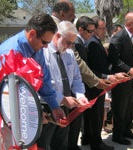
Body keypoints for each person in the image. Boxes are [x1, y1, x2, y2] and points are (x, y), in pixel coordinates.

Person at [0, 14, 69, 143]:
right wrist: (32, 113)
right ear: (32, 34)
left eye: (48, 43)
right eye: (44, 42)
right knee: (2, 146)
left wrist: (54, 106)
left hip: (18, 106)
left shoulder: (37, 49)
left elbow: (43, 80)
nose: (46, 47)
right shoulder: (9, 52)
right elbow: (6, 93)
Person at [37, 21, 89, 150]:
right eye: (68, 42)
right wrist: (62, 99)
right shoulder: (43, 53)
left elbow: (76, 77)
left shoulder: (69, 54)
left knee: (61, 143)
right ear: (58, 36)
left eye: (73, 43)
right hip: (47, 106)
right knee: (44, 144)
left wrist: (80, 95)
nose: (70, 46)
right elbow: (42, 83)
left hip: (66, 106)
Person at [82, 16, 127, 150]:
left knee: (92, 116)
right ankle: (96, 143)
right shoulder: (93, 43)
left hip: (97, 82)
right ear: (94, 29)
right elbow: (92, 68)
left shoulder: (95, 42)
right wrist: (108, 76)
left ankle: (88, 139)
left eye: (103, 28)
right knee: (95, 116)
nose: (103, 31)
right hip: (96, 84)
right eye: (100, 28)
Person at [108, 12, 133, 145]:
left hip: (132, 80)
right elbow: (114, 59)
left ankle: (126, 130)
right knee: (120, 107)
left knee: (129, 106)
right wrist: (128, 69)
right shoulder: (118, 37)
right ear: (129, 24)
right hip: (121, 80)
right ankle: (117, 135)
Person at [51, 0, 110, 90]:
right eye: (71, 14)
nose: (74, 17)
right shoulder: (54, 28)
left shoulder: (53, 26)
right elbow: (77, 61)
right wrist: (96, 81)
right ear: (62, 14)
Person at [68, 15, 96, 150]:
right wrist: (98, 81)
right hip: (75, 90)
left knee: (77, 122)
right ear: (80, 29)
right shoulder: (77, 43)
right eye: (90, 31)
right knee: (73, 124)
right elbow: (80, 67)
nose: (92, 34)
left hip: (80, 89)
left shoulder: (82, 43)